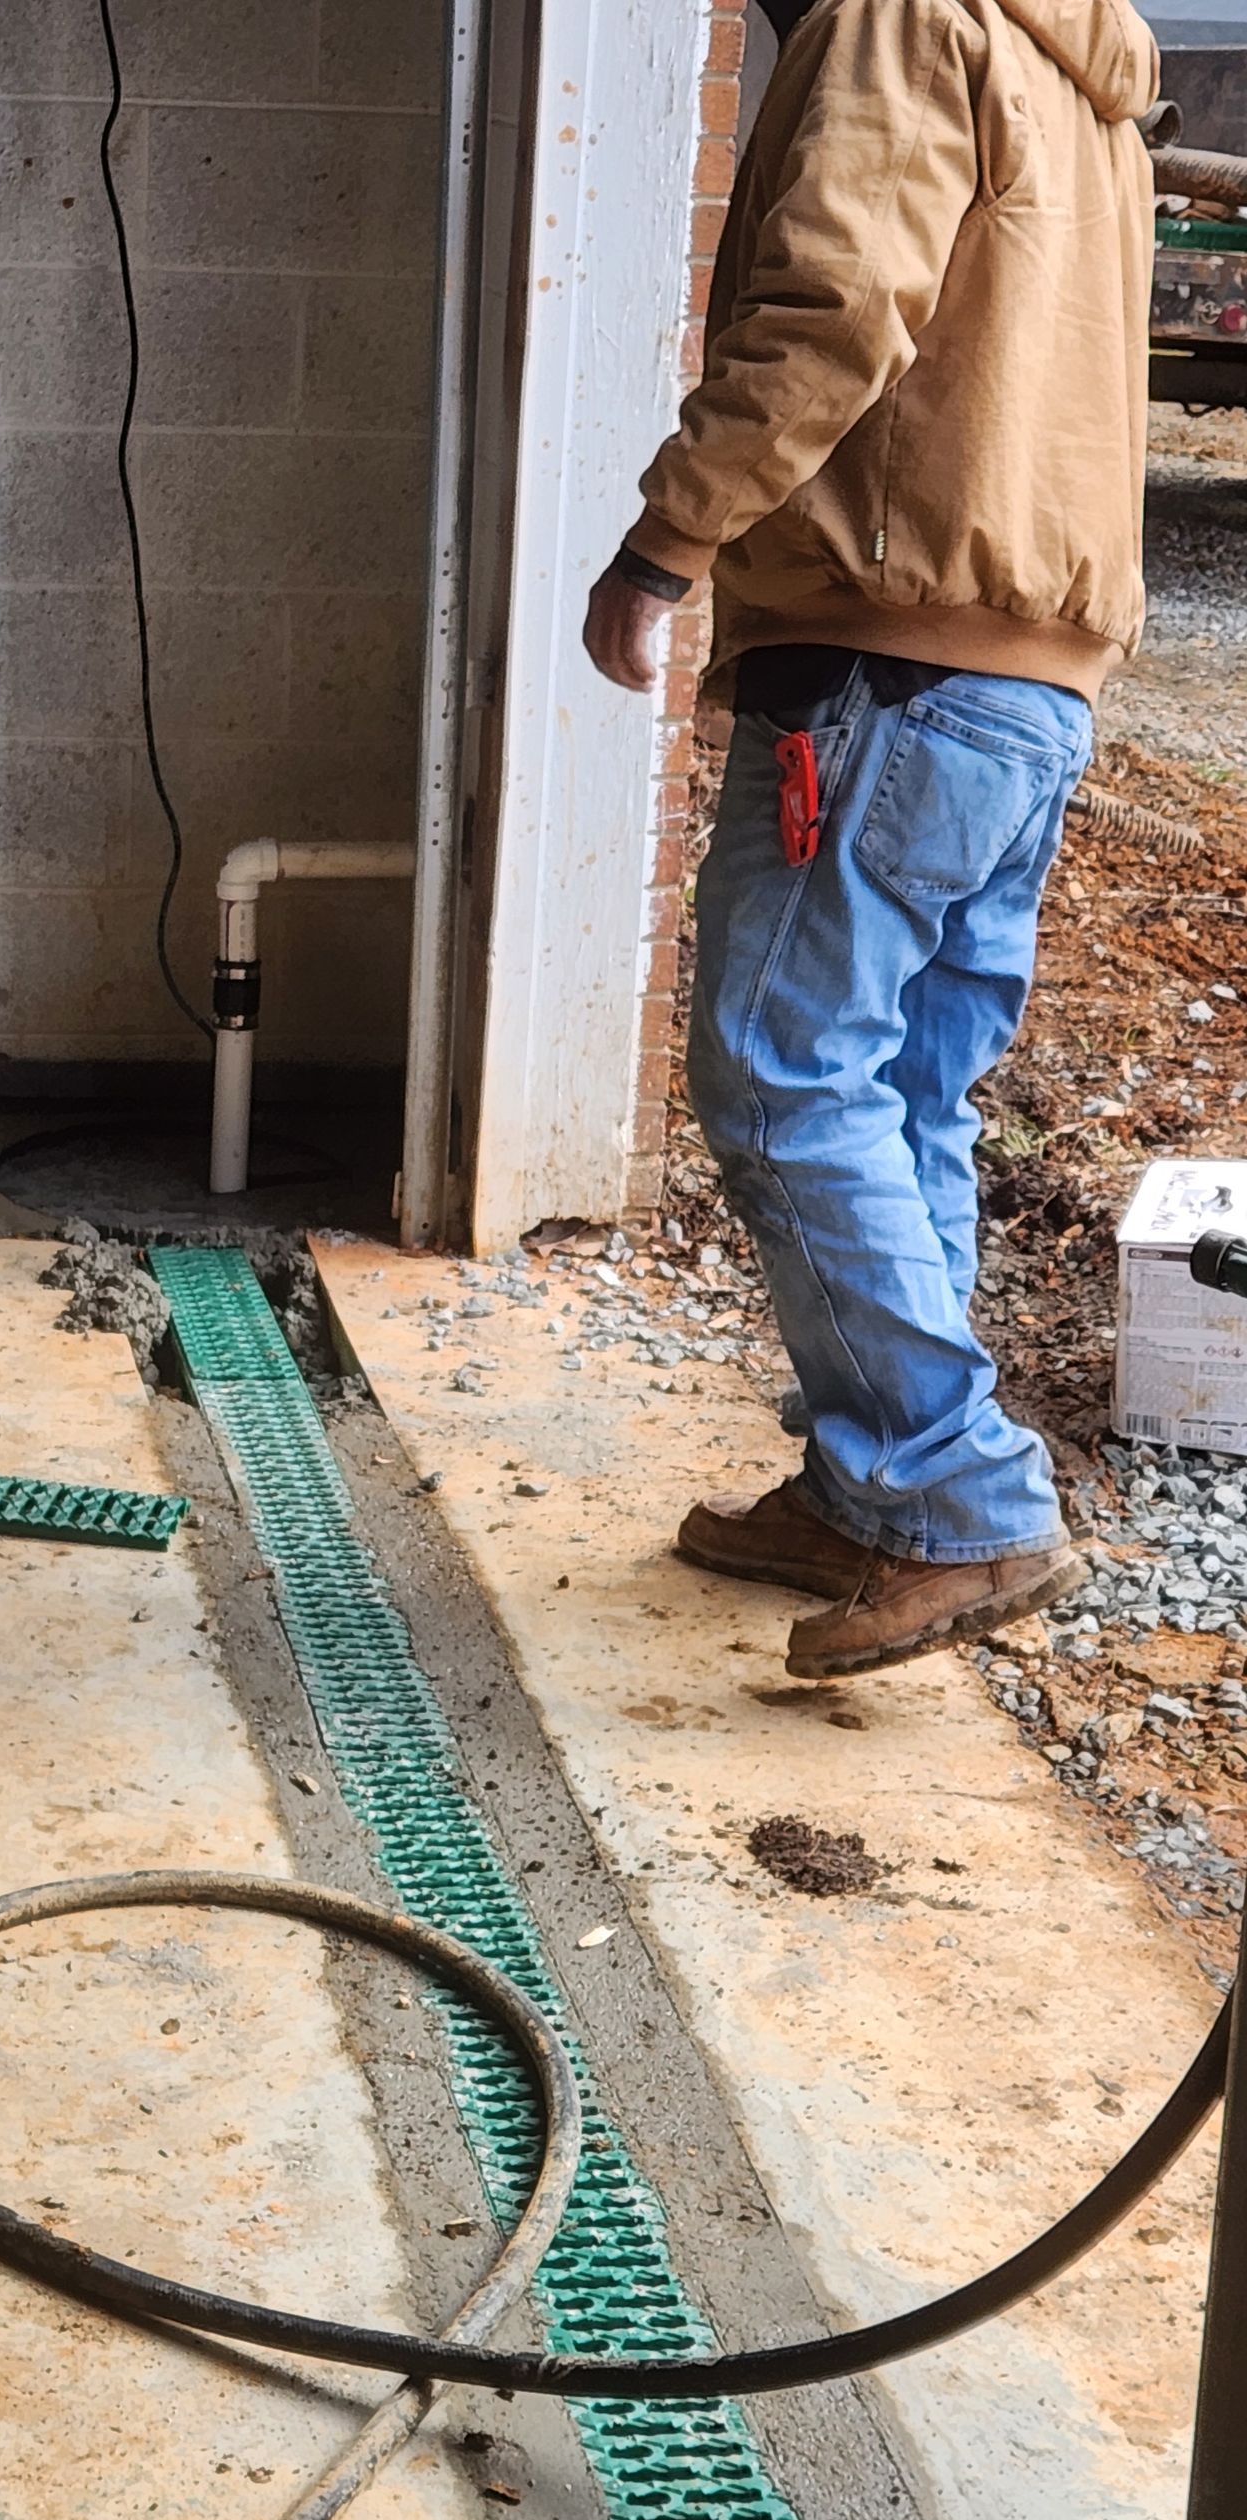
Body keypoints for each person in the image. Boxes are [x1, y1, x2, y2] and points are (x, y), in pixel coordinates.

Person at [584, 0, 1158, 1677]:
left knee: (778, 1070)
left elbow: (836, 310)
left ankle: (955, 1489)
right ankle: (874, 1491)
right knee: (902, 1092)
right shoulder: (1079, 61)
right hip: (1024, 685)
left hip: (892, 666)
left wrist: (665, 544)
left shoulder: (902, 20)